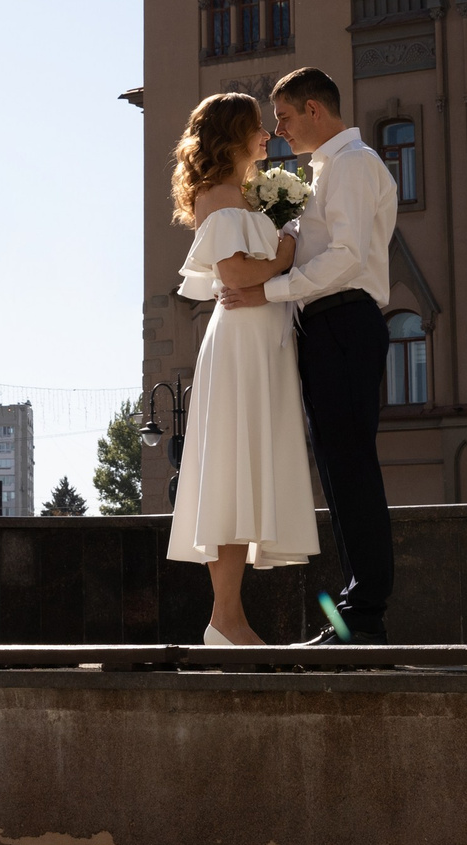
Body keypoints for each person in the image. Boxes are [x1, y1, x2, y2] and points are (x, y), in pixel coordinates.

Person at [220, 66, 398, 643]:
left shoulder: (350, 165)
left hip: (344, 318)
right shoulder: (326, 170)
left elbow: (345, 257)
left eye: (287, 117)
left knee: (350, 470)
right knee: (341, 472)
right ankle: (357, 614)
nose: (280, 130)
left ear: (315, 110)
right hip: (329, 326)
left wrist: (265, 291)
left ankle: (363, 615)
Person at [165, 91, 320, 645]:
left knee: (242, 473)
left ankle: (228, 621)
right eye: (258, 127)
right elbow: (232, 274)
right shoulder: (221, 196)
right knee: (232, 473)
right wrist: (284, 253)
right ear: (233, 133)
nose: (267, 136)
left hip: (261, 343)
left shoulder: (242, 195)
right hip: (241, 347)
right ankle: (225, 621)